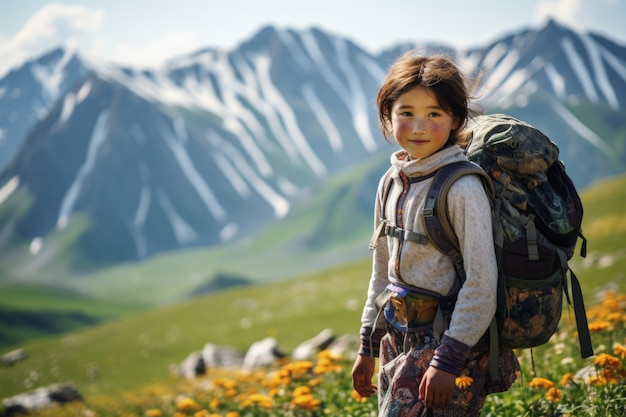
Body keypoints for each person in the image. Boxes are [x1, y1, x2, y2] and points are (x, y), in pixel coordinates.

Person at [351, 51, 519, 416]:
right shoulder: (390, 181)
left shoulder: (462, 187)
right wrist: (368, 345)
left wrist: (448, 361)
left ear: (455, 118)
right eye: (405, 113)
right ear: (387, 117)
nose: (418, 127)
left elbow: (481, 281)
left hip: (449, 341)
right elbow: (383, 272)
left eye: (434, 114)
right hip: (397, 336)